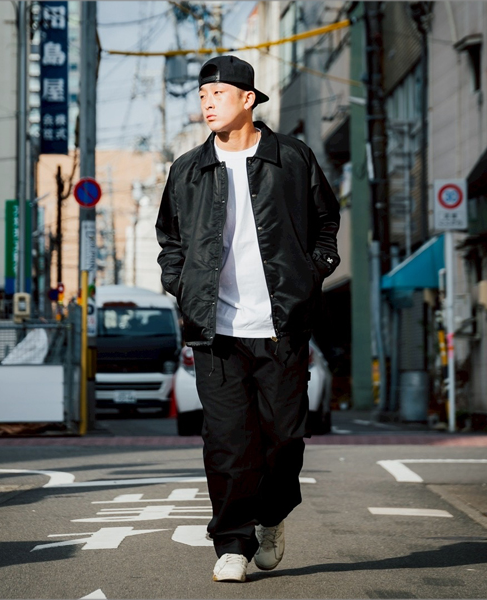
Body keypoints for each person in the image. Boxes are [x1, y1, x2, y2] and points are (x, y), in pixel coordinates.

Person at [156, 55, 340, 582]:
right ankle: (232, 543)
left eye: (218, 93)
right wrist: (180, 284)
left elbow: (326, 221)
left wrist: (311, 273)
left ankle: (273, 516)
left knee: (284, 439)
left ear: (248, 98)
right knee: (228, 444)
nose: (207, 103)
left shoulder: (293, 158)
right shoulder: (187, 169)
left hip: (281, 326)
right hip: (215, 331)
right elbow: (170, 238)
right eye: (202, 95)